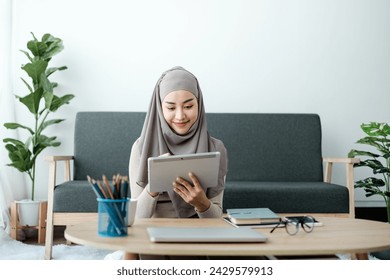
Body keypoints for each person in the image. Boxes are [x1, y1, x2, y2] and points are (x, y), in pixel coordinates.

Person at [129, 66, 228, 221]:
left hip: (198, 235)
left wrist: (202, 203)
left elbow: (217, 218)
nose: (180, 116)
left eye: (188, 106)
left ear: (199, 105)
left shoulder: (216, 148)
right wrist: (153, 186)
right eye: (170, 107)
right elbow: (135, 218)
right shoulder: (141, 148)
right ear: (160, 109)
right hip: (151, 236)